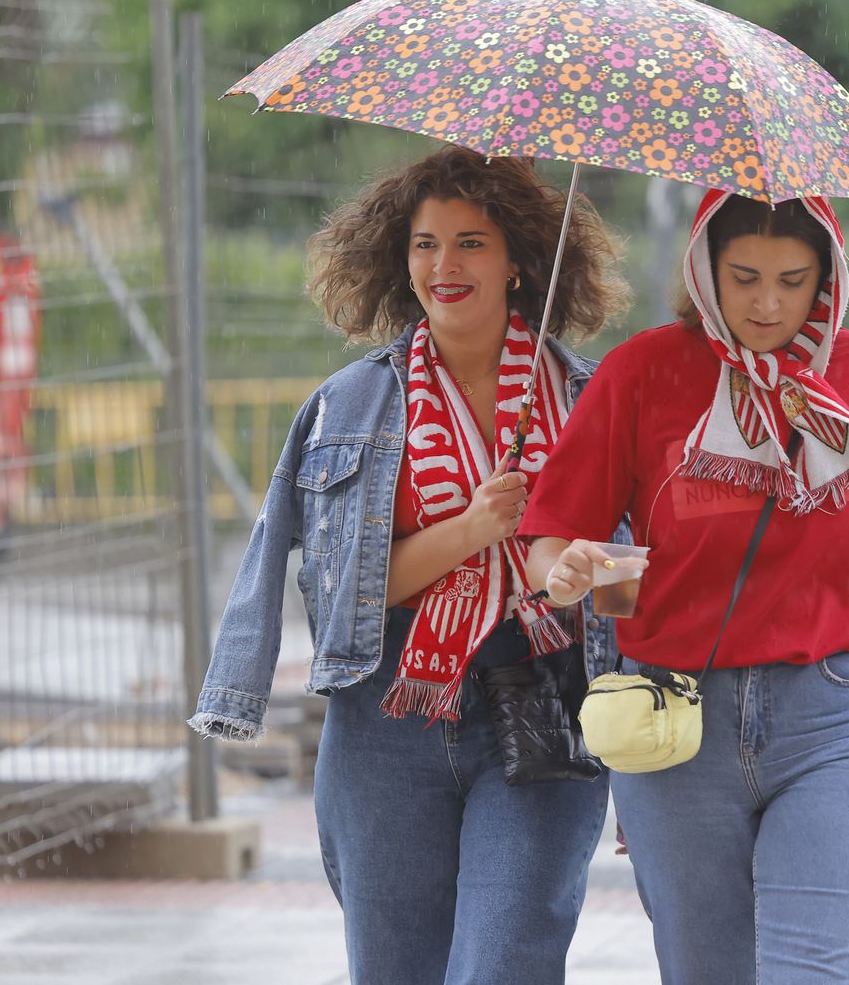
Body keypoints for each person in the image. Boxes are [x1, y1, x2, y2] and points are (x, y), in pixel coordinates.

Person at [523, 190, 849, 983]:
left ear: (828, 277)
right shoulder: (642, 374)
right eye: (745, 277)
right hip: (675, 728)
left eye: (794, 280)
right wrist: (563, 569)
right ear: (703, 273)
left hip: (842, 721)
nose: (768, 304)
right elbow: (548, 539)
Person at [190, 146, 630, 984]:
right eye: (426, 243)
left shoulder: (589, 398)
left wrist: (581, 574)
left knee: (503, 964)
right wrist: (474, 529)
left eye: (471, 242)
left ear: (518, 264)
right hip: (387, 718)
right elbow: (341, 598)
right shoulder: (350, 404)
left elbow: (634, 574)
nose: (444, 265)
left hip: (541, 706)